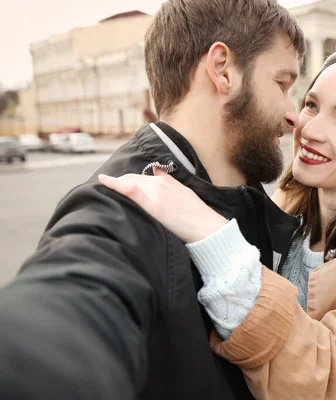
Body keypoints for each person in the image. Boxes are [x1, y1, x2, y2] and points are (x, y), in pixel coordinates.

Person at [99, 48, 336, 399]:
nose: (309, 128)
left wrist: (214, 236)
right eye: (312, 105)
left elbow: (327, 376)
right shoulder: (282, 208)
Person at [0, 1, 305, 399]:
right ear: (223, 69)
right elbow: (68, 308)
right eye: (282, 84)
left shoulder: (245, 198)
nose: (292, 114)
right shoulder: (122, 206)